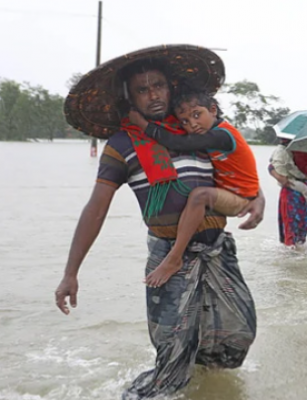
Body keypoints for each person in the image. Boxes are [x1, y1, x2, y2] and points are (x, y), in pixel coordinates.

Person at [54, 56, 263, 399]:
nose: (152, 95)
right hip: (169, 256)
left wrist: (259, 199)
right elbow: (96, 207)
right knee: (173, 354)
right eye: (141, 90)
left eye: (158, 86)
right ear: (129, 98)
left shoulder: (195, 129)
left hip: (217, 250)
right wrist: (70, 272)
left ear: (171, 89)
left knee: (237, 334)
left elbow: (236, 172)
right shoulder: (122, 145)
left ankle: (205, 386)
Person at [128, 90, 259, 287]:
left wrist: (142, 125)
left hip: (239, 198)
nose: (192, 124)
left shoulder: (222, 135)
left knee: (199, 195)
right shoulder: (211, 132)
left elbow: (179, 142)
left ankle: (174, 257)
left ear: (213, 110)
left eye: (197, 115)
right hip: (229, 191)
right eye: (185, 121)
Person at [269, 150, 307, 247]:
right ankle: (289, 257)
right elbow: (271, 166)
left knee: (303, 228)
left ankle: (297, 255)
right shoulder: (289, 150)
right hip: (291, 192)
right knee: (291, 226)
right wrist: (279, 177)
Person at [269, 137, 307, 217]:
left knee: (304, 220)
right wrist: (303, 177)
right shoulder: (286, 152)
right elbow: (274, 166)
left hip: (304, 185)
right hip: (290, 183)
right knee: (293, 219)